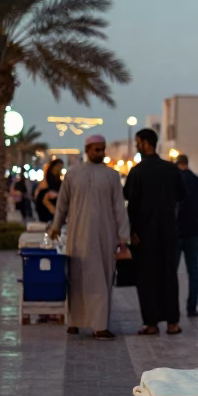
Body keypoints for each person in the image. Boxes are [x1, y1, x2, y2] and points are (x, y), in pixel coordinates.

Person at [48, 136, 131, 340]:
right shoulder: (73, 174)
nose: (101, 153)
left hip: (105, 237)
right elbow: (62, 204)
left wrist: (123, 238)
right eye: (97, 150)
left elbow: (119, 208)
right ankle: (75, 322)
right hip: (78, 235)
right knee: (76, 279)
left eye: (103, 150)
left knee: (102, 280)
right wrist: (56, 226)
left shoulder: (112, 176)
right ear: (87, 149)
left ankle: (99, 326)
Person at [123, 128, 185, 335]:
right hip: (168, 232)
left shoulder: (137, 172)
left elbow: (130, 204)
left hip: (144, 235)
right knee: (169, 276)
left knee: (147, 278)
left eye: (138, 142)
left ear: (147, 144)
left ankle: (151, 323)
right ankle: (172, 323)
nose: (136, 146)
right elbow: (180, 196)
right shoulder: (171, 169)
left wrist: (131, 232)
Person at [174, 154, 198, 318]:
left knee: (172, 271)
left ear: (177, 163)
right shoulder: (196, 180)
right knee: (193, 271)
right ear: (187, 163)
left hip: (177, 232)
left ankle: (172, 308)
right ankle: (192, 307)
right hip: (194, 231)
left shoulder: (174, 179)